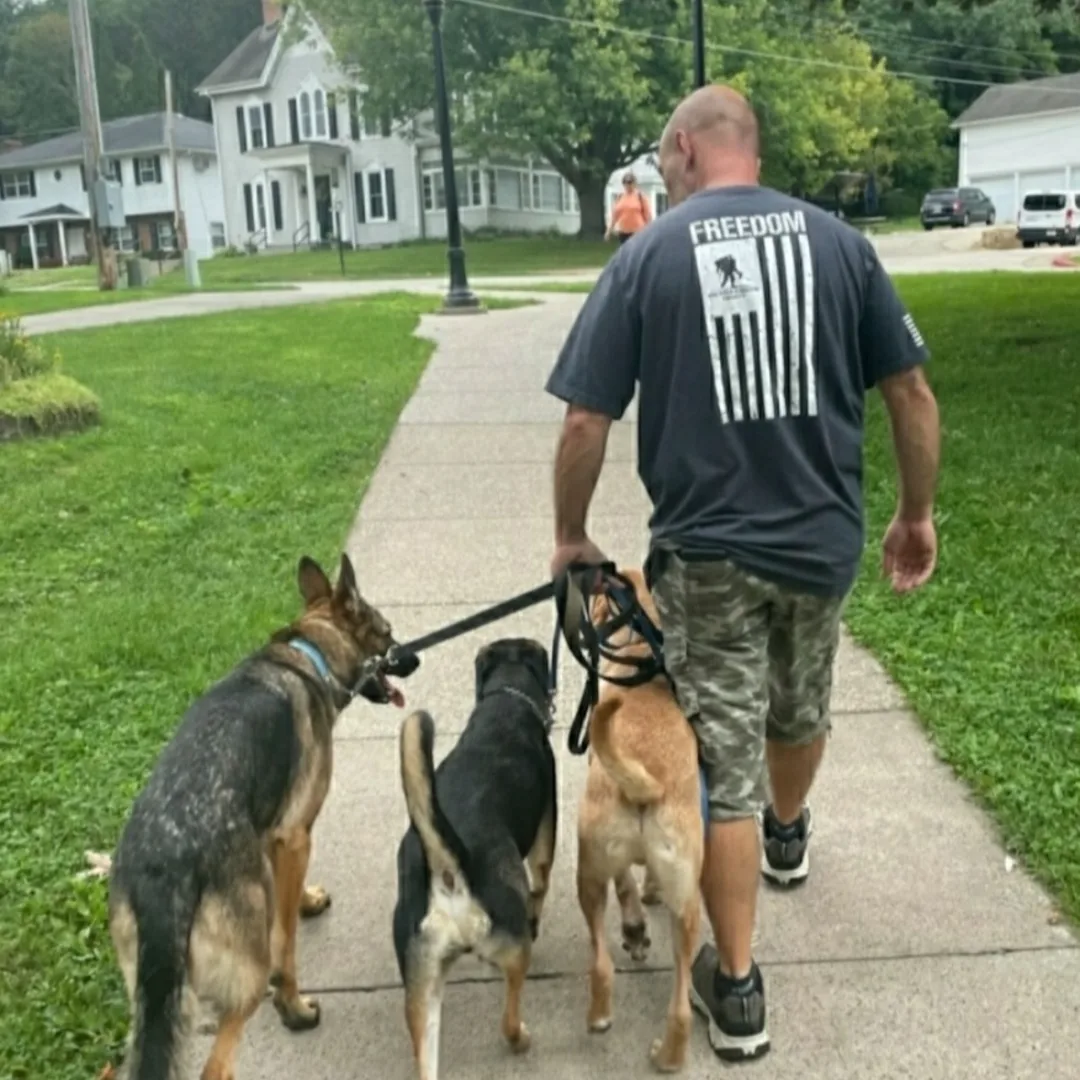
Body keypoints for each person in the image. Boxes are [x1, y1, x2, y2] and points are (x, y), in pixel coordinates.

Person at [545, 84, 940, 1063]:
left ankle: (737, 987)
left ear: (684, 150)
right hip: (818, 544)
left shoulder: (645, 258)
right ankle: (790, 830)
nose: (661, 177)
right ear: (751, 149)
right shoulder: (844, 249)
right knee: (798, 711)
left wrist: (569, 535)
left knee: (720, 766)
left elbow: (586, 421)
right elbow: (911, 389)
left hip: (707, 557)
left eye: (661, 163)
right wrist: (916, 512)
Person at [605, 170, 653, 245]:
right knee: (624, 253)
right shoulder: (620, 197)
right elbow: (615, 216)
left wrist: (649, 231)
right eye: (625, 183)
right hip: (623, 232)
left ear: (634, 183)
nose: (628, 185)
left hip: (637, 231)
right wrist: (608, 231)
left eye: (630, 182)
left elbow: (647, 216)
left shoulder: (640, 196)